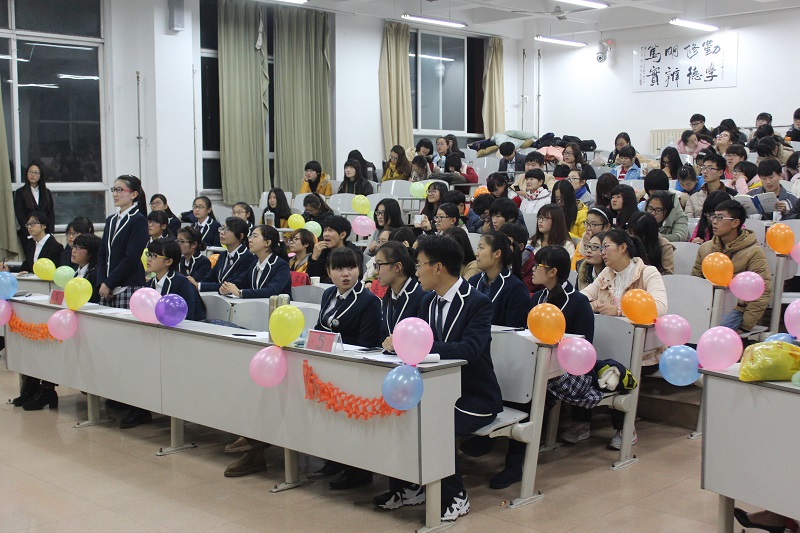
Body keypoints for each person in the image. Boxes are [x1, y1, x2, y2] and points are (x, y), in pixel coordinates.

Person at [372, 235, 502, 522]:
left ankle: (455, 496)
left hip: (474, 395)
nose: (416, 271)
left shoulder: (477, 302)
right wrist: (398, 344)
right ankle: (408, 487)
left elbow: (470, 350)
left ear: (439, 267)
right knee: (401, 414)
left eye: (420, 265)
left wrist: (420, 347)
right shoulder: (427, 301)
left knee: (436, 423)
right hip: (436, 392)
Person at [490, 245, 595, 488]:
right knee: (507, 377)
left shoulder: (578, 302)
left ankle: (515, 463)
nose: (533, 270)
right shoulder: (537, 298)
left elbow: (584, 347)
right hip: (539, 366)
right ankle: (490, 436)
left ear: (553, 272)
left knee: (528, 393)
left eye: (538, 266)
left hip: (570, 371)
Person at [580, 229, 667, 448]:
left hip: (642, 348)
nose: (602, 252)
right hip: (609, 342)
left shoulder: (647, 272)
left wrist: (619, 311)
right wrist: (593, 305)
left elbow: (659, 307)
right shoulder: (607, 273)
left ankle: (624, 429)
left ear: (623, 248)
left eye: (605, 247)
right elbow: (581, 299)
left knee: (617, 367)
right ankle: (581, 422)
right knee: (582, 360)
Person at [311, 247, 382, 490]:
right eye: (339, 268)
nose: (346, 274)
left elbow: (367, 343)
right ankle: (334, 460)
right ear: (329, 271)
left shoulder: (369, 301)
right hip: (329, 365)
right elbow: (320, 328)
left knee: (351, 420)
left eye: (351, 268)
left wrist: (336, 346)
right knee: (329, 415)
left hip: (355, 368)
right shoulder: (328, 294)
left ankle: (358, 470)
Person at [691, 200, 772, 333]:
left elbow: (762, 292)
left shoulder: (753, 252)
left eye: (720, 218)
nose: (714, 222)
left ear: (735, 223)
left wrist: (745, 325)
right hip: (706, 306)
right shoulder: (706, 248)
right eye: (713, 217)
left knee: (714, 332)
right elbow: (695, 281)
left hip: (736, 309)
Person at [97, 175, 149, 308]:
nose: (115, 194)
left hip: (128, 285)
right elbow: (102, 254)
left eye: (120, 190)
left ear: (133, 194)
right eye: (114, 190)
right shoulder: (111, 220)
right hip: (107, 287)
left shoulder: (138, 220)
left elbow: (131, 257)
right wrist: (103, 281)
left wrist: (110, 282)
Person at [374, 241, 426, 352]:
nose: (375, 271)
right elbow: (383, 335)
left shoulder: (421, 296)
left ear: (397, 267)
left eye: (379, 265)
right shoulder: (388, 296)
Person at [469, 232, 529, 327]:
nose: (476, 253)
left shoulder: (516, 288)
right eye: (478, 248)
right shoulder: (473, 281)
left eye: (481, 248)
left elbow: (515, 329)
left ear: (497, 253)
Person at [219, 225, 292, 299]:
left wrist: (240, 293)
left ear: (267, 242)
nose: (250, 240)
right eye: (250, 236)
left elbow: (272, 291)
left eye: (255, 236)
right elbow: (240, 281)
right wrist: (226, 288)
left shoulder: (281, 265)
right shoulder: (254, 264)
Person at [191, 217, 257, 294]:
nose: (222, 232)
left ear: (240, 236)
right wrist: (196, 284)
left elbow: (231, 285)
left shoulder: (248, 257)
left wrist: (199, 286)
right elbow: (209, 277)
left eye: (227, 230)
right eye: (222, 228)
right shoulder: (223, 255)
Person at [144, 238, 205, 321]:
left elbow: (187, 317)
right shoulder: (149, 284)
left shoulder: (183, 284)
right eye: (148, 254)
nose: (148, 259)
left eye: (154, 256)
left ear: (168, 261)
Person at [306, 216, 364, 283]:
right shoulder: (324, 251)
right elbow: (311, 278)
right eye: (325, 230)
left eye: (330, 230)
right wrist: (314, 258)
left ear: (342, 235)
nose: (326, 234)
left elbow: (351, 279)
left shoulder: (353, 254)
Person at [14, 160, 55, 246]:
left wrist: (50, 233)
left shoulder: (46, 192)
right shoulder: (20, 192)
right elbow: (20, 215)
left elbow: (51, 214)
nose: (33, 175)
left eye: (36, 173)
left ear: (41, 175)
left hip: (44, 234)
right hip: (28, 235)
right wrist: (29, 234)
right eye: (30, 172)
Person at [573, 205, 614, 270]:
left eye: (594, 224)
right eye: (587, 223)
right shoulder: (584, 239)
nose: (588, 228)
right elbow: (575, 265)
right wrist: (586, 246)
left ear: (607, 227)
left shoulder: (613, 244)